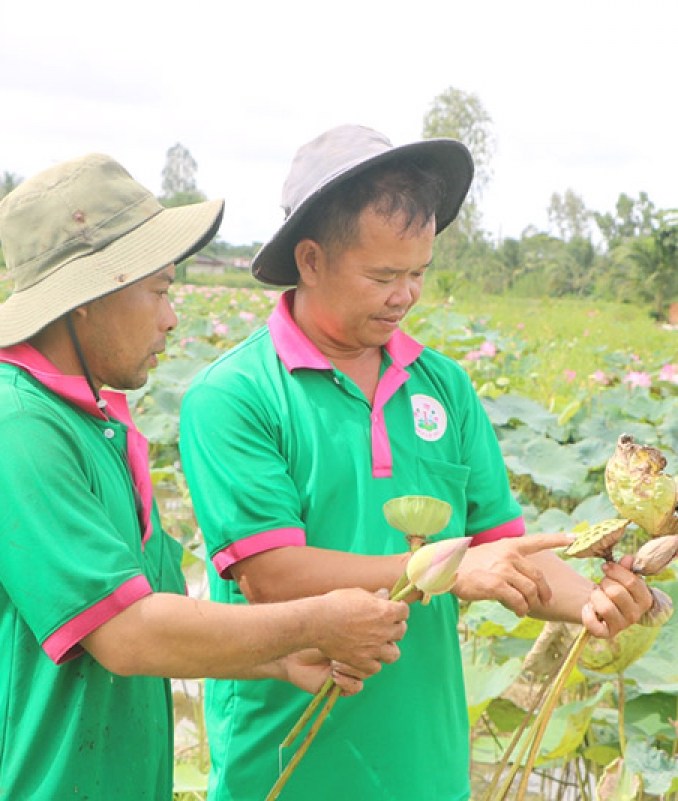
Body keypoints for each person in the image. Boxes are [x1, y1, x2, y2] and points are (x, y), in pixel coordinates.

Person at [0, 153, 409, 801]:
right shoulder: (8, 429)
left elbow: (156, 622)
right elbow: (128, 633)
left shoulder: (95, 427)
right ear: (87, 297)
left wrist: (274, 657)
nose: (171, 318)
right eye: (159, 290)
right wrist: (312, 624)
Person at [179, 125, 654, 801]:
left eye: (419, 273)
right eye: (382, 275)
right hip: (288, 762)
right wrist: (447, 568)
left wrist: (593, 602)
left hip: (425, 764)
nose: (405, 295)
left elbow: (501, 548)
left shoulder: (444, 387)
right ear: (310, 260)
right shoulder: (236, 396)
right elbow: (271, 575)